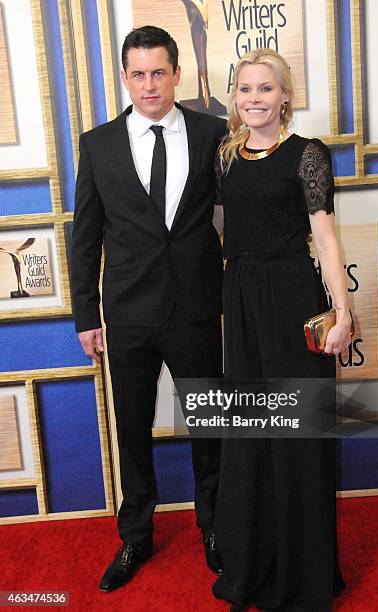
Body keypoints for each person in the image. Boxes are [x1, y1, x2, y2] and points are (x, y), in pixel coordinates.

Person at [71, 25, 226, 592]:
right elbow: (84, 235)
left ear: (177, 73)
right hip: (128, 313)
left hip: (195, 306)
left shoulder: (214, 133)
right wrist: (86, 313)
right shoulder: (98, 144)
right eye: (137, 74)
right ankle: (136, 534)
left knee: (209, 425)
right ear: (124, 77)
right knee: (131, 429)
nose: (148, 84)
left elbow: (246, 206)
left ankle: (215, 526)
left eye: (158, 72)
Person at [212, 49, 352, 611]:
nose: (254, 99)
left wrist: (343, 312)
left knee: (297, 433)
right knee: (250, 434)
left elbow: (326, 238)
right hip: (241, 301)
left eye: (265, 89)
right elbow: (224, 230)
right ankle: (256, 560)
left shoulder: (308, 156)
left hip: (294, 298)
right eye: (245, 90)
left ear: (285, 95)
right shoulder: (225, 158)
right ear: (236, 98)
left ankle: (305, 573)